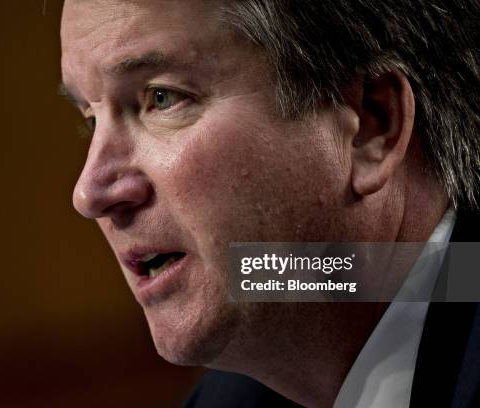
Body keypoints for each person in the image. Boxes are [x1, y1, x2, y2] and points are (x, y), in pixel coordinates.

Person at [59, 0, 480, 406]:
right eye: (90, 119)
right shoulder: (226, 401)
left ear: (371, 127)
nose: (89, 194)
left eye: (162, 98)